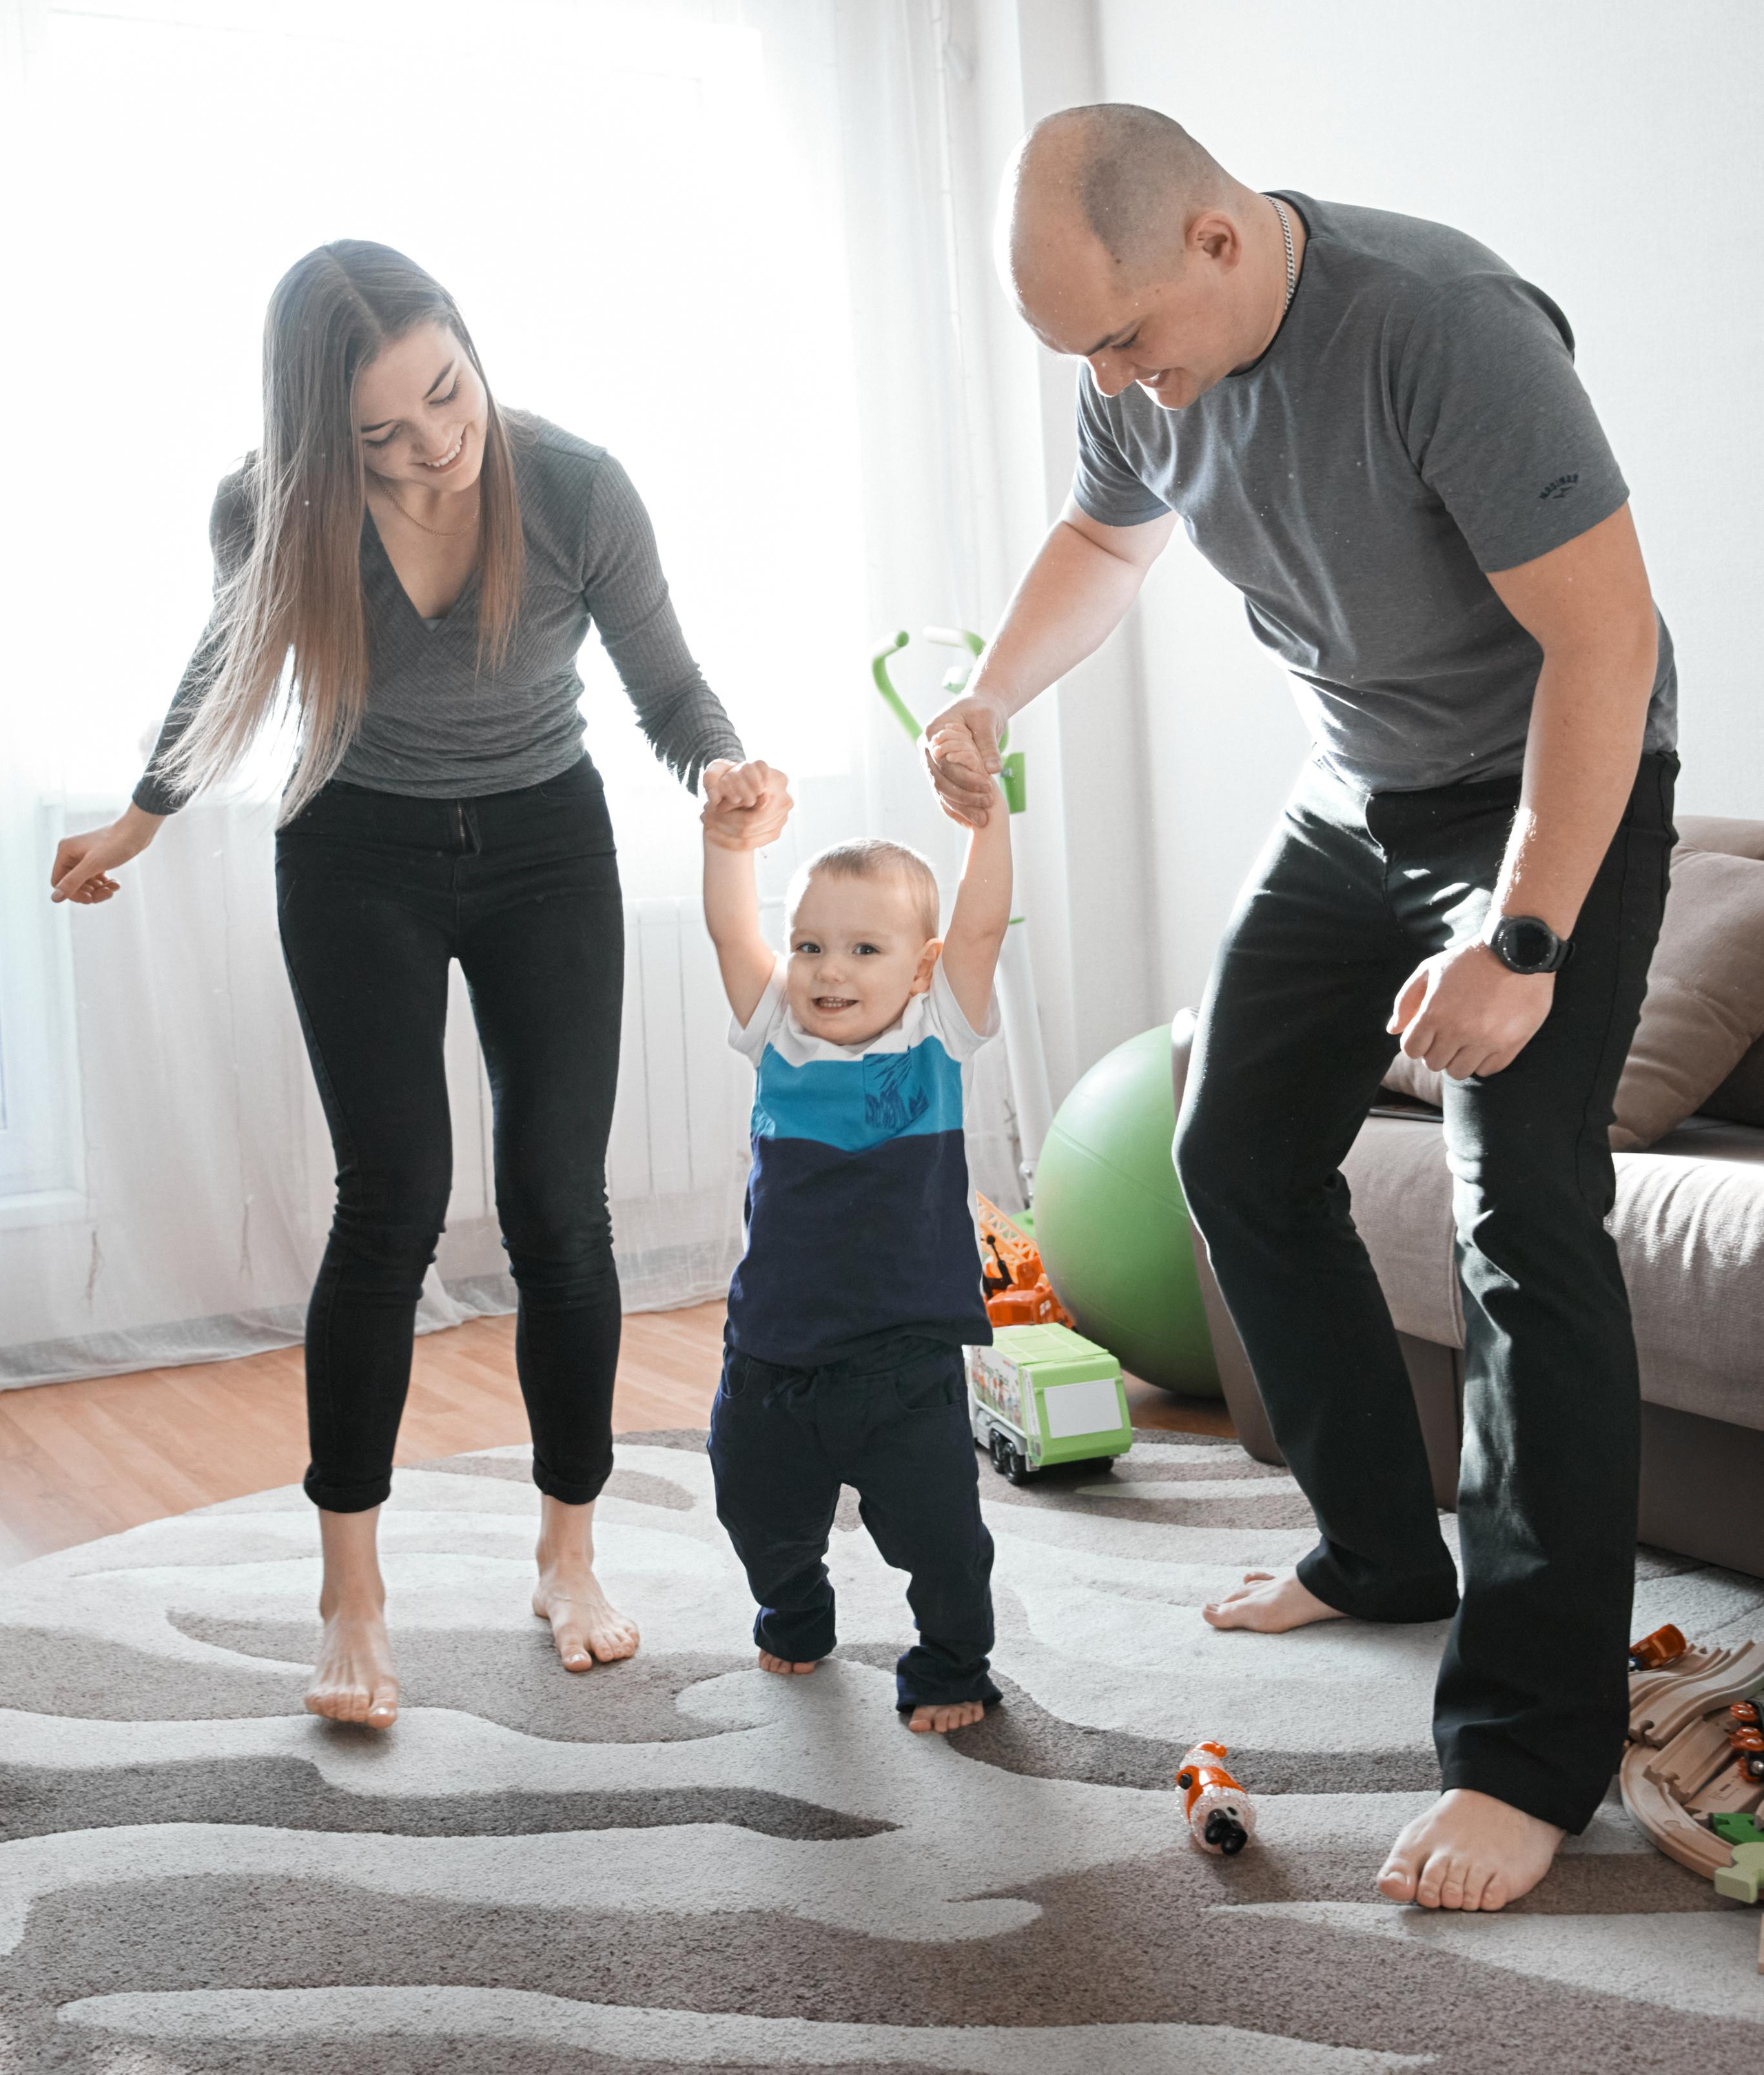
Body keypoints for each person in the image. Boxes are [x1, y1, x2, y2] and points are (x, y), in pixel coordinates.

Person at [924, 105, 1676, 1912]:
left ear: (1213, 236)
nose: (1118, 384)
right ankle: (1375, 1546)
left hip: (1538, 795)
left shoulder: (1444, 326)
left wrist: (1525, 936)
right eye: (1085, 356)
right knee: (1235, 1144)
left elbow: (1607, 640)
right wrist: (990, 689)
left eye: (1121, 338)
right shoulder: (1139, 371)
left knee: (1524, 1218)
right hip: (1353, 796)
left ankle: (1530, 1747)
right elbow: (1107, 547)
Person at [50, 240, 788, 1730]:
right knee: (390, 1197)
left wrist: (720, 768)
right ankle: (352, 1591)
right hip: (354, 850)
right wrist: (140, 813)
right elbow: (227, 664)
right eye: (381, 435)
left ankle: (566, 1558)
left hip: (544, 848)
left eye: (445, 396)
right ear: (326, 439)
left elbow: (667, 686)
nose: (432, 444)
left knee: (556, 1206)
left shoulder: (575, 485)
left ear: (469, 344)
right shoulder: (270, 506)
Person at [701, 777, 1013, 1732]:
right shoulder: (778, 1037)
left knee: (941, 1538)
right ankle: (797, 1606)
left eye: (863, 949)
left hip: (902, 1362)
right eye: (809, 945)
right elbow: (728, 932)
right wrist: (727, 842)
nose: (828, 970)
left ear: (920, 967)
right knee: (755, 1512)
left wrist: (988, 825)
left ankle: (953, 1661)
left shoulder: (937, 1038)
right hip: (772, 1356)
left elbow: (982, 929)